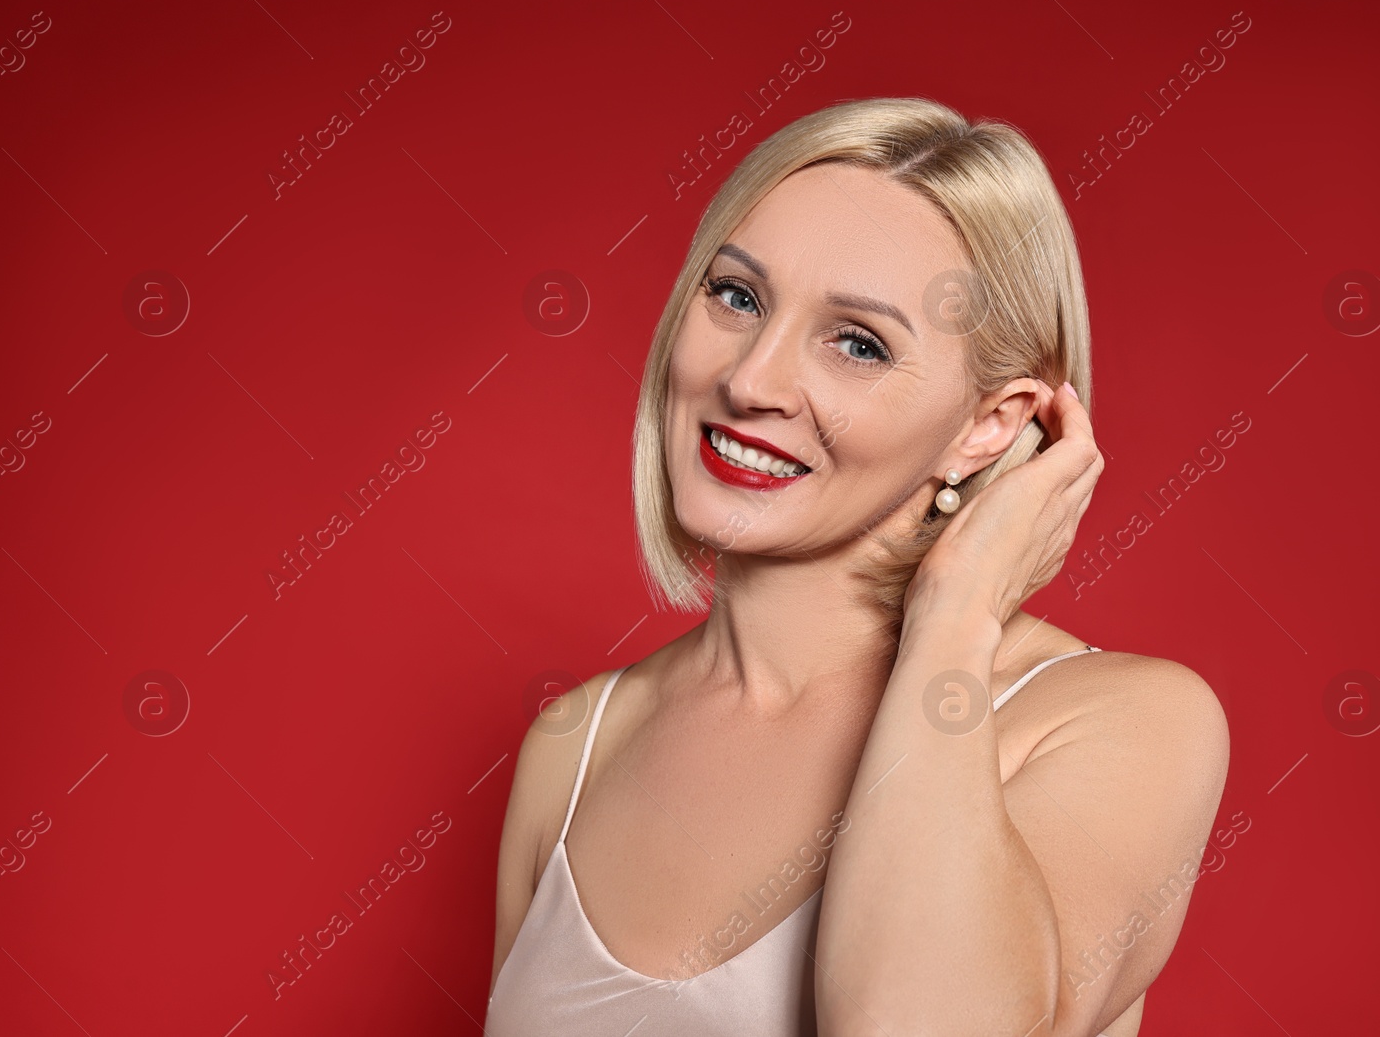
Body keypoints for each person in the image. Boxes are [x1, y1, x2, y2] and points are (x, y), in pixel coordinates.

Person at [483, 96, 1229, 1037]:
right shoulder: (577, 742)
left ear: (987, 426)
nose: (749, 380)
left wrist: (958, 612)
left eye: (859, 343)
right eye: (738, 295)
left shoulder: (1119, 723)